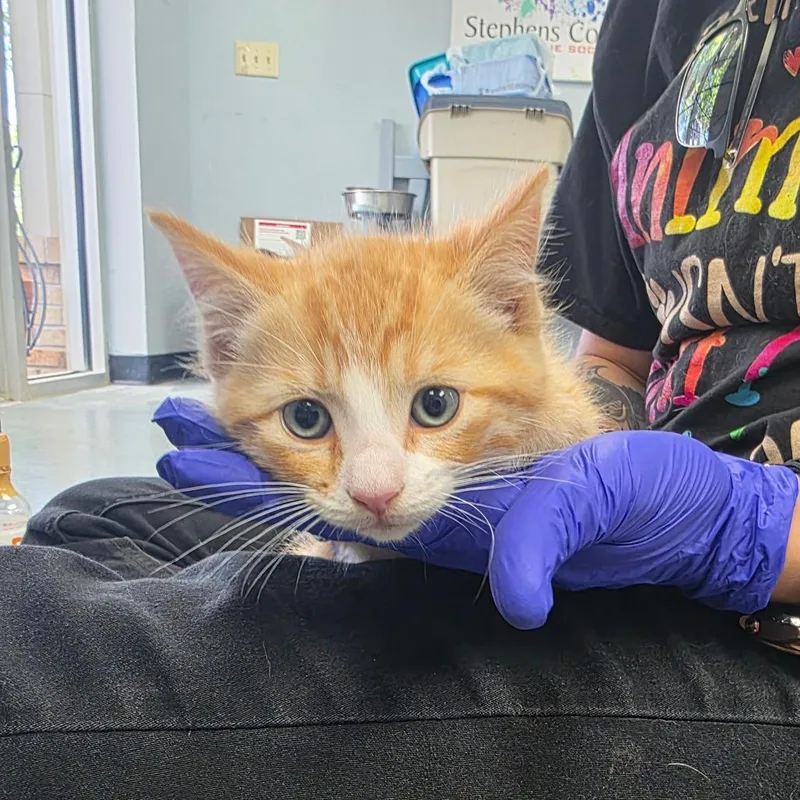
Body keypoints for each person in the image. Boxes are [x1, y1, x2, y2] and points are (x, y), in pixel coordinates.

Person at [3, 0, 800, 796]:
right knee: (85, 516)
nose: (374, 485)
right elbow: (615, 360)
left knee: (32, 647)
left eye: (433, 406)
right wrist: (592, 457)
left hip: (760, 626)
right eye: (309, 418)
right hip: (626, 484)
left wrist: (741, 526)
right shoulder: (657, 16)